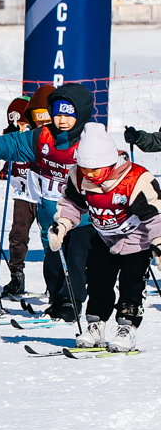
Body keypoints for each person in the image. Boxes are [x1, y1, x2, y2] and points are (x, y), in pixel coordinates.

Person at [0, 84, 97, 321]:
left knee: (75, 257)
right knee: (53, 259)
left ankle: (70, 302)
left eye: (68, 115)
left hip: (82, 216)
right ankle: (55, 299)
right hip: (50, 212)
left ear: (80, 115)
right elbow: (17, 142)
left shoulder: (90, 139)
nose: (62, 120)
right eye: (58, 114)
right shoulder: (43, 136)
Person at [52, 123, 161, 353]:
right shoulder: (79, 176)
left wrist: (158, 243)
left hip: (136, 241)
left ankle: (127, 328)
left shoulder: (135, 180)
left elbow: (155, 215)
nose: (89, 174)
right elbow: (72, 204)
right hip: (103, 237)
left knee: (131, 286)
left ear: (110, 163)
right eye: (85, 168)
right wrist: (62, 225)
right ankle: (95, 326)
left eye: (95, 169)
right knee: (98, 282)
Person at [2, 94, 40, 298]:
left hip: (44, 195)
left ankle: (57, 281)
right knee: (17, 236)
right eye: (17, 124)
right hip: (23, 194)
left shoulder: (40, 135)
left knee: (49, 238)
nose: (21, 128)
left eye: (24, 124)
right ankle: (16, 276)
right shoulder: (12, 135)